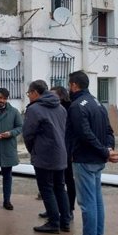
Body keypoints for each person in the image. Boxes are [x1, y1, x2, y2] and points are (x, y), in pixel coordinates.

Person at [64, 70, 118, 235]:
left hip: (84, 159)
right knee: (96, 200)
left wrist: (105, 151)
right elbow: (108, 131)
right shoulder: (97, 103)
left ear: (74, 85)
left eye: (69, 84)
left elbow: (85, 134)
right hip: (96, 159)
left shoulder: (76, 106)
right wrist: (108, 149)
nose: (68, 88)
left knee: (87, 202)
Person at [22, 79, 71, 234]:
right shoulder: (61, 108)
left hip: (44, 154)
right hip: (60, 153)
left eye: (29, 93)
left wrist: (33, 150)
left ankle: (53, 222)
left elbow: (28, 134)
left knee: (46, 189)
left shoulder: (34, 109)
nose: (28, 96)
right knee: (60, 188)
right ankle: (65, 221)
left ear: (35, 93)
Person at [48, 85, 76, 217]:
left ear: (61, 95)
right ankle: (54, 209)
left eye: (53, 94)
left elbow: (72, 132)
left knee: (68, 180)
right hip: (55, 149)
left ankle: (69, 209)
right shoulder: (51, 107)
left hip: (67, 149)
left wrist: (71, 150)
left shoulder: (69, 108)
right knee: (53, 181)